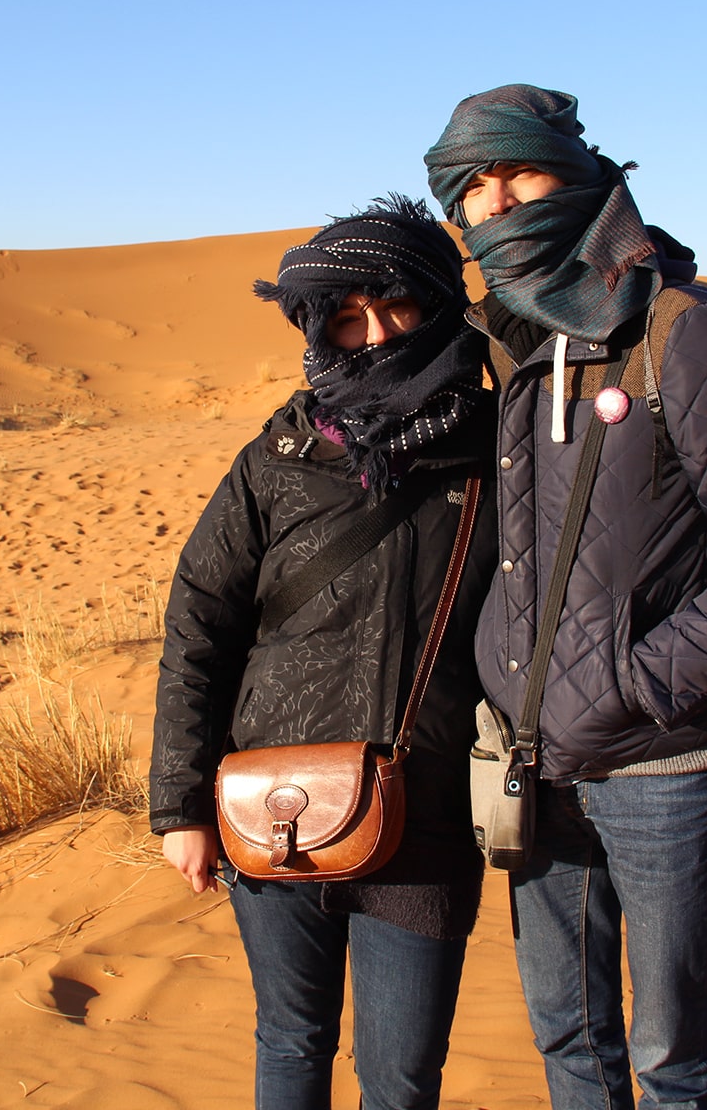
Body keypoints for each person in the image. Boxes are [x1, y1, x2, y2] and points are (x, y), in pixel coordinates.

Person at [423, 85, 707, 1109]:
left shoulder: (682, 334)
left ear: (580, 176)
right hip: (530, 772)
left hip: (662, 771)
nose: (500, 202)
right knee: (569, 1037)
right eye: (473, 188)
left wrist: (638, 684)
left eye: (521, 171)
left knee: (668, 1059)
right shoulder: (500, 346)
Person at [150, 194, 497, 1110]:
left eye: (398, 308)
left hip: (424, 812)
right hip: (275, 800)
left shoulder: (492, 454)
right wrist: (180, 806)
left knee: (402, 1072)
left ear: (438, 305)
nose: (375, 334)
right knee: (292, 1042)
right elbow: (199, 626)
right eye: (348, 317)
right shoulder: (276, 459)